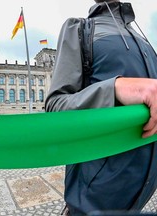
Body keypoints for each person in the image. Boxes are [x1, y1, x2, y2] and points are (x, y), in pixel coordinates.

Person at [45, 0, 157, 215]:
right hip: (95, 198)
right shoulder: (80, 28)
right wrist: (115, 88)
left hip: (145, 189)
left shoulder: (144, 40)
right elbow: (55, 106)